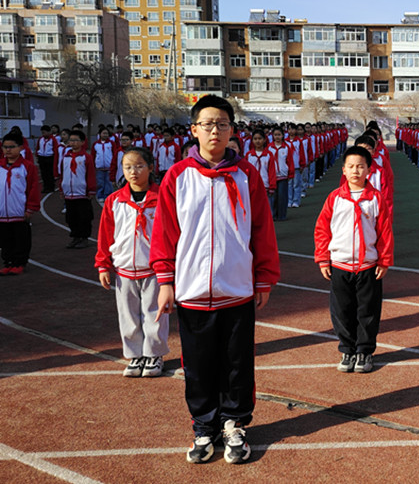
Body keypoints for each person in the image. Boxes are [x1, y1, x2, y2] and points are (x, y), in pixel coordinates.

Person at [151, 95, 280, 465]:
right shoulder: (178, 176)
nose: (215, 131)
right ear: (194, 130)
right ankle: (204, 426)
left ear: (231, 130)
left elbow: (262, 230)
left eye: (222, 124)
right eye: (207, 124)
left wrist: (264, 278)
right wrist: (165, 281)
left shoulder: (247, 175)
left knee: (237, 362)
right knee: (198, 364)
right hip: (192, 290)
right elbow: (165, 232)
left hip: (237, 288)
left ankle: (234, 423)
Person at [314, 145, 394, 374]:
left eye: (360, 166)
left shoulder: (375, 198)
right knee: (342, 310)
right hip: (339, 264)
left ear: (369, 170)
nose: (355, 171)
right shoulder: (334, 198)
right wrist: (323, 258)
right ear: (344, 170)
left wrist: (384, 260)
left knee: (367, 311)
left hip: (368, 265)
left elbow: (384, 232)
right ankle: (347, 349)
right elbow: (322, 229)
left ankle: (364, 351)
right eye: (350, 166)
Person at [95, 146, 168, 378]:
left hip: (154, 268)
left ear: (151, 168)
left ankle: (154, 353)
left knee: (155, 312)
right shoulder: (115, 200)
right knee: (127, 314)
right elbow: (105, 234)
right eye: (127, 167)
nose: (133, 172)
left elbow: (170, 233)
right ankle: (135, 354)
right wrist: (103, 264)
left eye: (139, 166)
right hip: (124, 267)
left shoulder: (163, 198)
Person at [0, 133, 39, 275]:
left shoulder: (27, 167)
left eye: (12, 147)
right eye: (5, 147)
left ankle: (19, 263)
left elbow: (33, 188)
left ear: (21, 147)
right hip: (2, 212)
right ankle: (8, 262)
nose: (8, 150)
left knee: (21, 238)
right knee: (5, 239)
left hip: (19, 212)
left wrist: (30, 208)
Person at [58, 129, 96, 249]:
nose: (73, 143)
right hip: (68, 192)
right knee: (71, 217)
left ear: (82, 142)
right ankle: (75, 237)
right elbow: (63, 174)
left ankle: (84, 238)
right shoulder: (66, 157)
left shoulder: (86, 157)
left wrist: (91, 189)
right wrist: (61, 188)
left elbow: (90, 174)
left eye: (76, 140)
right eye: (71, 140)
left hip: (82, 193)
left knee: (84, 217)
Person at [92, 127, 115, 201]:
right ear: (100, 134)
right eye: (103, 133)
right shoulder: (95, 144)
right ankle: (100, 195)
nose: (105, 135)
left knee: (108, 182)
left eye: (107, 133)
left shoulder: (111, 143)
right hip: (99, 167)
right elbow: (93, 155)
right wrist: (93, 165)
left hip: (109, 167)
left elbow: (114, 154)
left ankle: (108, 196)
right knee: (100, 182)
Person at [36, 124, 60, 193]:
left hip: (49, 158)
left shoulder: (53, 139)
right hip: (42, 157)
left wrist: (55, 159)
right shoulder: (40, 139)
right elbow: (38, 147)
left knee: (50, 173)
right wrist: (37, 156)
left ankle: (51, 187)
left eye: (44, 132)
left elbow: (55, 149)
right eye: (42, 132)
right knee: (43, 174)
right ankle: (45, 187)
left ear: (49, 132)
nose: (43, 134)